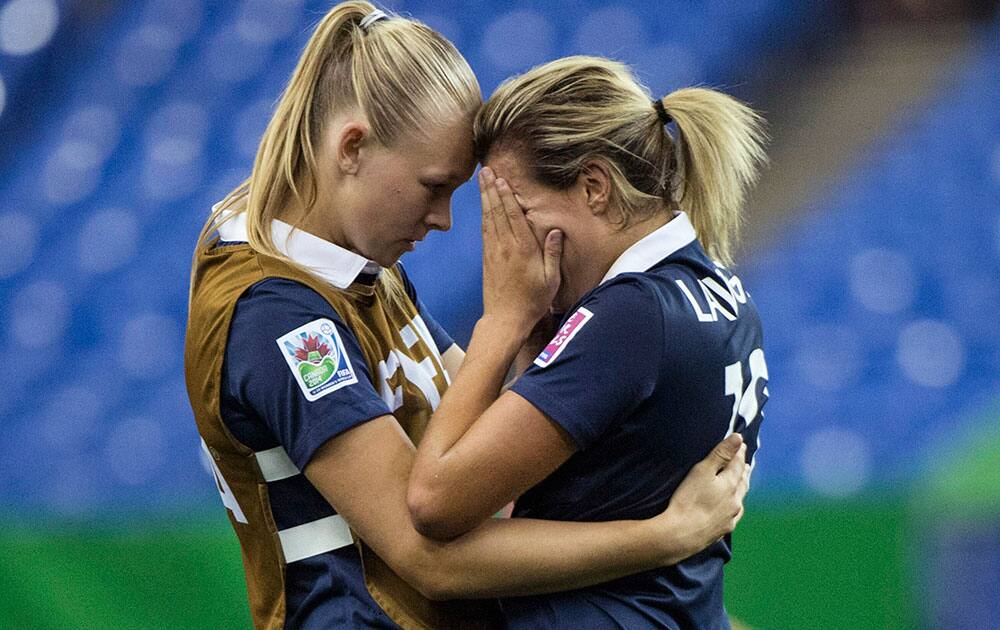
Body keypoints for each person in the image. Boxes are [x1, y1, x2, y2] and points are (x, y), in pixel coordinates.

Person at [185, 4, 750, 629]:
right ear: (352, 147)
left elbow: (491, 456)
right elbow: (426, 553)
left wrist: (531, 337)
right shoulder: (279, 317)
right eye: (434, 186)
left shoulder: (366, 272)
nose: (444, 219)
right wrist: (665, 537)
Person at [407, 55, 769, 629]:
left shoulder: (630, 314)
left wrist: (502, 321)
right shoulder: (720, 292)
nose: (511, 244)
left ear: (594, 187)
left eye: (518, 212)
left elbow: (435, 501)